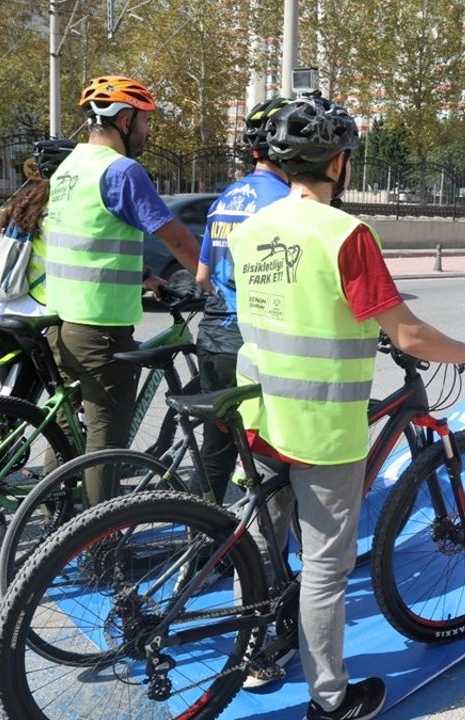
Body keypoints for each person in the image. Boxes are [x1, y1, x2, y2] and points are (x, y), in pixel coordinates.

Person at [229, 93, 465, 720]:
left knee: (263, 544)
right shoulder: (346, 233)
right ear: (339, 162)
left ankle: (255, 657)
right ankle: (331, 702)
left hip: (260, 412)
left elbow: (289, 307)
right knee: (326, 569)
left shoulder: (252, 231)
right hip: (321, 426)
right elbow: (408, 336)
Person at [44, 76, 200, 507]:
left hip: (58, 319)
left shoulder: (70, 167)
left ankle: (54, 515)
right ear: (126, 120)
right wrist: (217, 281)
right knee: (105, 442)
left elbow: (90, 238)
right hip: (100, 327)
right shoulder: (122, 170)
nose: (148, 132)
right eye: (146, 122)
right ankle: (100, 545)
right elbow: (178, 240)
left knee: (66, 428)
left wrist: (144, 275)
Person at [194, 96, 291, 505]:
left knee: (216, 446)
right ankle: (258, 550)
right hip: (251, 342)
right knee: (266, 449)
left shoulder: (227, 197)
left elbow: (202, 276)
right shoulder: (285, 202)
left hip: (212, 336)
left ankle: (200, 540)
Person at [0, 139, 76, 399]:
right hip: (35, 320)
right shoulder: (64, 212)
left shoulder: (25, 205)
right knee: (65, 406)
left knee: (13, 407)